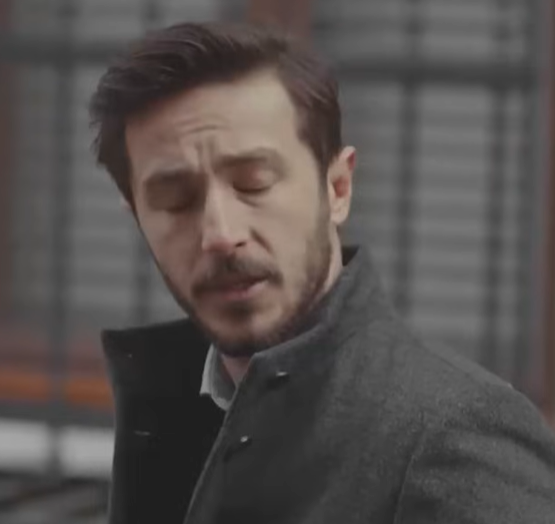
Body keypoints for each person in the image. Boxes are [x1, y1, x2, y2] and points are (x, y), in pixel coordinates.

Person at [90, 21, 555, 524]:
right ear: (138, 217)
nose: (221, 233)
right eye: (176, 200)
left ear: (337, 189)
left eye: (254, 183)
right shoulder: (171, 413)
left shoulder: (454, 435)